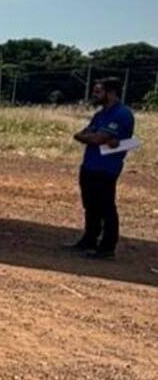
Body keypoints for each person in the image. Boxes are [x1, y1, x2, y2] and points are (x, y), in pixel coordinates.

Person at [67, 77, 136, 260]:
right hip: (90, 164)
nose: (94, 95)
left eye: (98, 91)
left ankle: (107, 247)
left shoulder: (122, 114)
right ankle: (89, 239)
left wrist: (93, 137)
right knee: (90, 205)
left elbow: (97, 138)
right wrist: (92, 137)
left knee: (106, 207)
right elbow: (83, 134)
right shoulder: (100, 114)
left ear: (111, 92)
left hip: (107, 168)